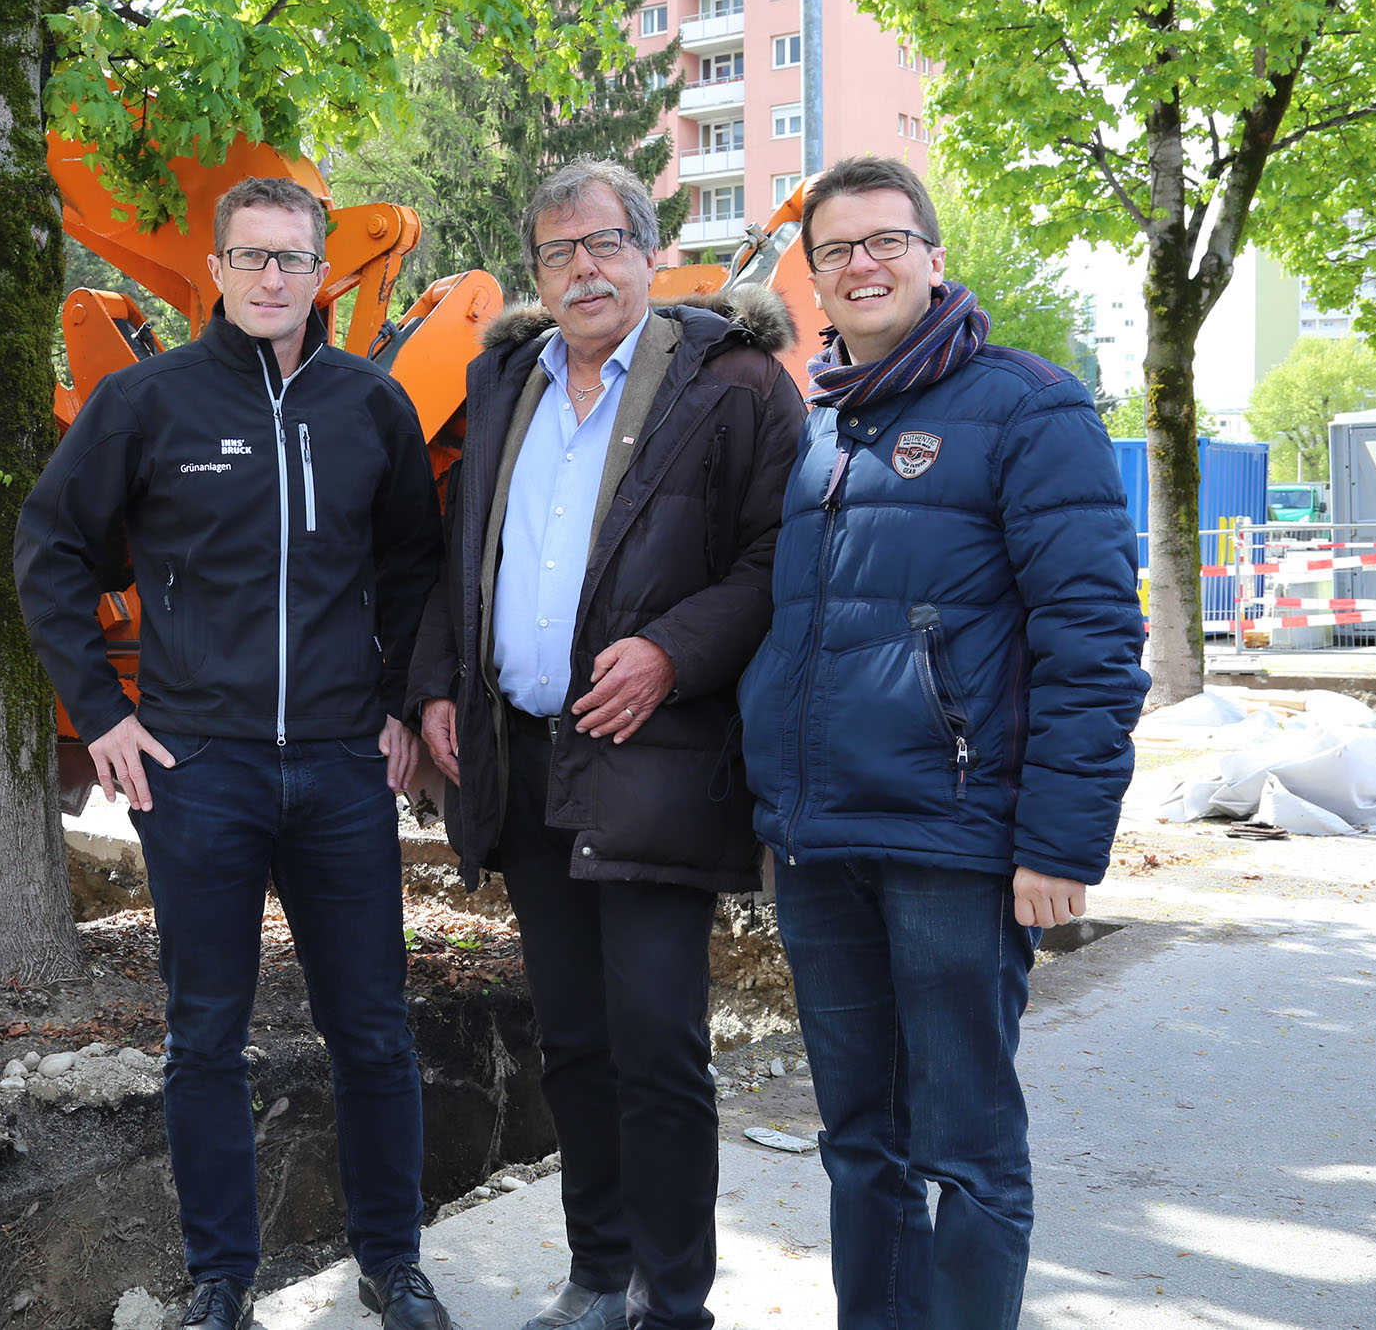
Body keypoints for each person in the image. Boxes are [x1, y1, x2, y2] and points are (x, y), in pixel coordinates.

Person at [14, 176, 451, 1330]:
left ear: (322, 274)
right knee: (203, 1032)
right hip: (196, 767)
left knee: (372, 1025)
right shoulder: (145, 403)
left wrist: (406, 700)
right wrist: (100, 710)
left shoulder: (371, 406)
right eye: (250, 257)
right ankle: (220, 1277)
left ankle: (392, 1260)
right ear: (213, 268)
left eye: (292, 260)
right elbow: (50, 544)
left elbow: (414, 565)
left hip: (341, 769)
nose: (270, 279)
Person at [735, 155, 1149, 1330]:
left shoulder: (1028, 405)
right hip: (822, 841)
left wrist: (1059, 843)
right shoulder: (819, 427)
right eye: (836, 249)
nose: (860, 263)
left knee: (963, 1145)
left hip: (955, 841)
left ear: (931, 255)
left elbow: (1093, 640)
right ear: (811, 276)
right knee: (858, 1142)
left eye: (884, 240)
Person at [408, 158, 804, 1330]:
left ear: (645, 249)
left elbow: (778, 557)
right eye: (557, 250)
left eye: (603, 243)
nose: (582, 267)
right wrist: (439, 683)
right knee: (572, 1040)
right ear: (536, 272)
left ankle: (673, 1301)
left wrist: (674, 652)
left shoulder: (729, 384)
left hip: (655, 764)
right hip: (521, 759)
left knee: (657, 1046)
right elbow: (456, 556)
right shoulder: (504, 384)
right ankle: (597, 1276)